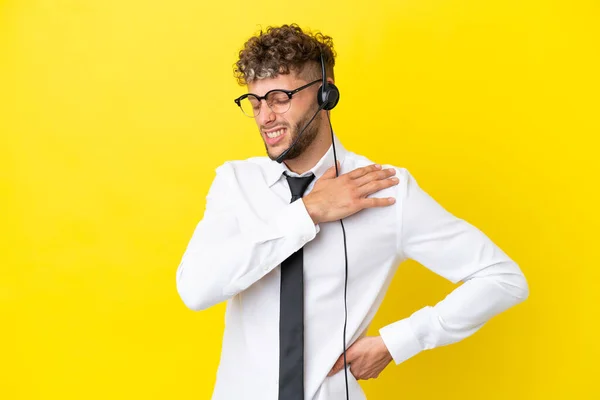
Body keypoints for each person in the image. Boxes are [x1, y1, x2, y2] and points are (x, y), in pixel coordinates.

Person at [175, 24, 529, 400]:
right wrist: (307, 212)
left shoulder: (385, 189)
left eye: (279, 98)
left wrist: (397, 342)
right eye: (256, 102)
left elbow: (502, 278)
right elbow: (195, 290)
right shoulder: (235, 183)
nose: (265, 117)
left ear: (325, 95)